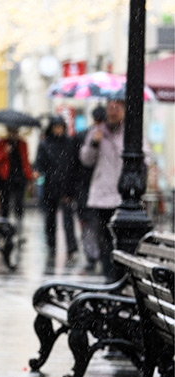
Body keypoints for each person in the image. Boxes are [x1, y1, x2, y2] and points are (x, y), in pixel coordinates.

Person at [79, 98, 152, 279]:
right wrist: (94, 143)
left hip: (124, 195)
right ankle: (109, 275)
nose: (113, 111)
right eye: (110, 107)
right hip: (102, 194)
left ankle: (120, 275)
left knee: (123, 240)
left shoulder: (132, 132)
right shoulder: (97, 131)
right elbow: (85, 160)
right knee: (104, 238)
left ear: (124, 110)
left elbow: (146, 158)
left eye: (117, 107)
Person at [34, 116, 79, 262]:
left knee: (68, 219)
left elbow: (73, 166)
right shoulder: (45, 144)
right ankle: (52, 245)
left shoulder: (69, 143)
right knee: (50, 218)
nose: (58, 130)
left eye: (60, 127)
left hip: (66, 185)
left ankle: (71, 247)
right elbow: (39, 163)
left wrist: (71, 188)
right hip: (51, 186)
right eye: (56, 127)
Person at [74, 106, 104, 272]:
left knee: (100, 225)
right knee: (89, 225)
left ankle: (99, 255)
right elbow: (81, 161)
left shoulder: (113, 137)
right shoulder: (83, 136)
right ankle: (92, 256)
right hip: (86, 188)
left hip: (104, 190)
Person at [0, 126, 33, 226]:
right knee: (4, 203)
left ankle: (18, 223)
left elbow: (25, 161)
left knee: (19, 202)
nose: (13, 134)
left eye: (15, 132)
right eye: (12, 131)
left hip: (19, 177)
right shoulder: (2, 143)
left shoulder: (22, 144)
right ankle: (5, 224)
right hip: (5, 177)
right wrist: (5, 152)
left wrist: (29, 177)